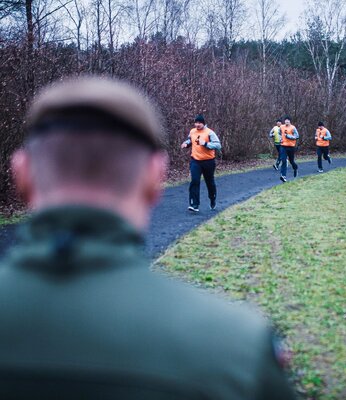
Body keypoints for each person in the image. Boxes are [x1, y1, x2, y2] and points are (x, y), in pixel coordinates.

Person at [1, 76, 297, 399]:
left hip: (210, 165)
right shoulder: (239, 349)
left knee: (209, 185)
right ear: (155, 177)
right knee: (196, 185)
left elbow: (217, 146)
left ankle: (209, 200)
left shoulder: (210, 133)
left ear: (21, 173)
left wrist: (209, 146)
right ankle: (195, 202)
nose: (197, 127)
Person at [181, 114, 221, 212]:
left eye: (200, 123)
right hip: (195, 161)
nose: (197, 125)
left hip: (208, 162)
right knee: (194, 181)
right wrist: (186, 144)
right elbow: (191, 140)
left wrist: (206, 144)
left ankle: (212, 199)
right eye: (196, 122)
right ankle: (195, 205)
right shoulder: (192, 131)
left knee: (210, 183)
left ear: (203, 123)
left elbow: (218, 145)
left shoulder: (209, 132)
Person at [279, 117, 299, 182]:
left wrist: (288, 136)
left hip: (291, 146)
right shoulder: (281, 127)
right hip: (283, 146)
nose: (286, 123)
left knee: (291, 161)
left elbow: (297, 136)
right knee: (283, 160)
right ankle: (283, 176)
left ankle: (295, 168)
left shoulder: (293, 128)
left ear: (290, 122)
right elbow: (279, 133)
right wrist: (280, 139)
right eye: (285, 121)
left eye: (288, 122)